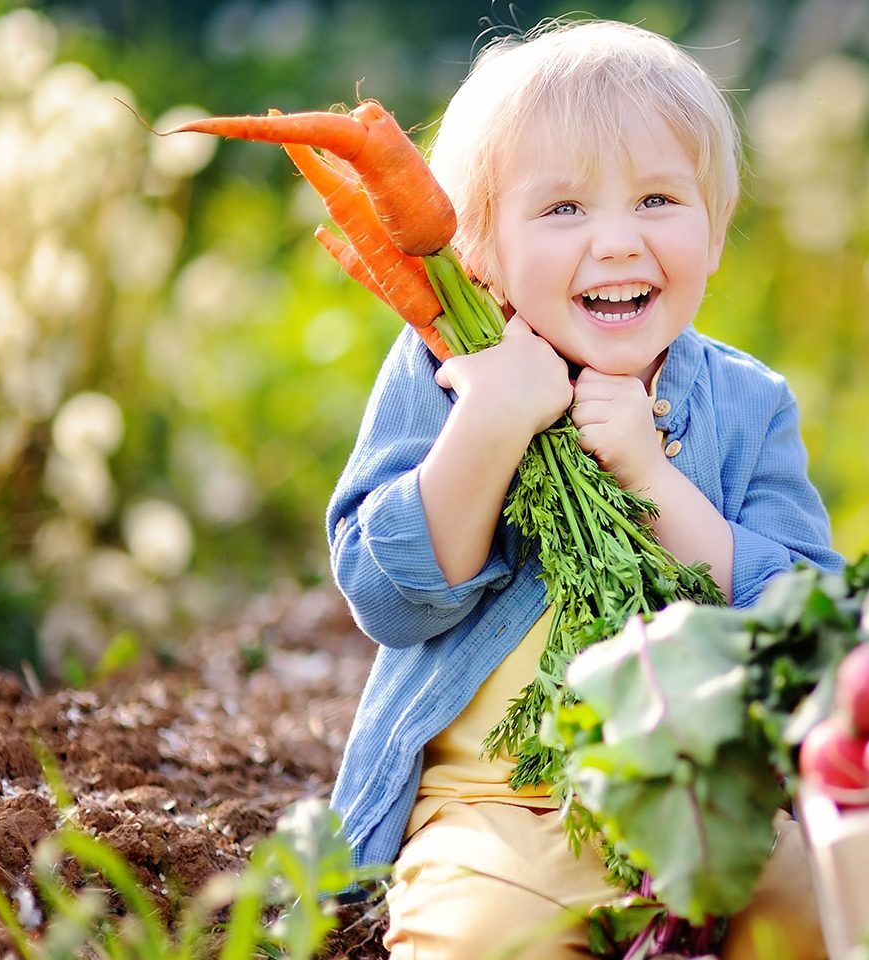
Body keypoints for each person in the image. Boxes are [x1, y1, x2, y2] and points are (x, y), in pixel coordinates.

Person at [322, 19, 840, 959]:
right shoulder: (444, 370)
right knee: (480, 943)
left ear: (716, 232)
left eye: (657, 200)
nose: (616, 242)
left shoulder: (749, 402)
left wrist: (652, 478)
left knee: (827, 909)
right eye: (563, 209)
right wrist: (490, 423)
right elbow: (387, 598)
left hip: (709, 802)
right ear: (480, 250)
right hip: (496, 810)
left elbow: (807, 628)